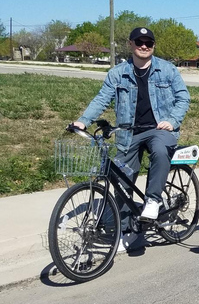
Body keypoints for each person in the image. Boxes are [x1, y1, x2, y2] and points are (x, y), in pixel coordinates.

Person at [73, 27, 190, 251]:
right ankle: (127, 230)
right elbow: (102, 98)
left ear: (153, 46)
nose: (144, 46)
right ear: (131, 44)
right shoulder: (117, 73)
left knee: (159, 149)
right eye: (139, 42)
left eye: (149, 43)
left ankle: (153, 200)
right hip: (128, 132)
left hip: (159, 128)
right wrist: (83, 120)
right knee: (121, 178)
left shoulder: (167, 69)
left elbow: (183, 98)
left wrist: (173, 121)